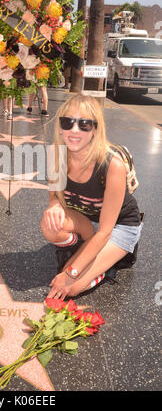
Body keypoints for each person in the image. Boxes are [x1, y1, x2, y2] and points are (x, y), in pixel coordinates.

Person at [40, 94, 143, 300]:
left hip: (118, 226)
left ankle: (110, 259)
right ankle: (86, 249)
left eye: (84, 124)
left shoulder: (111, 165)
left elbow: (105, 231)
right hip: (87, 221)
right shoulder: (56, 154)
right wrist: (54, 205)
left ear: (95, 129)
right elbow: (54, 196)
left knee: (71, 287)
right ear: (60, 126)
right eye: (67, 122)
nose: (74, 130)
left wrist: (71, 273)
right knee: (50, 225)